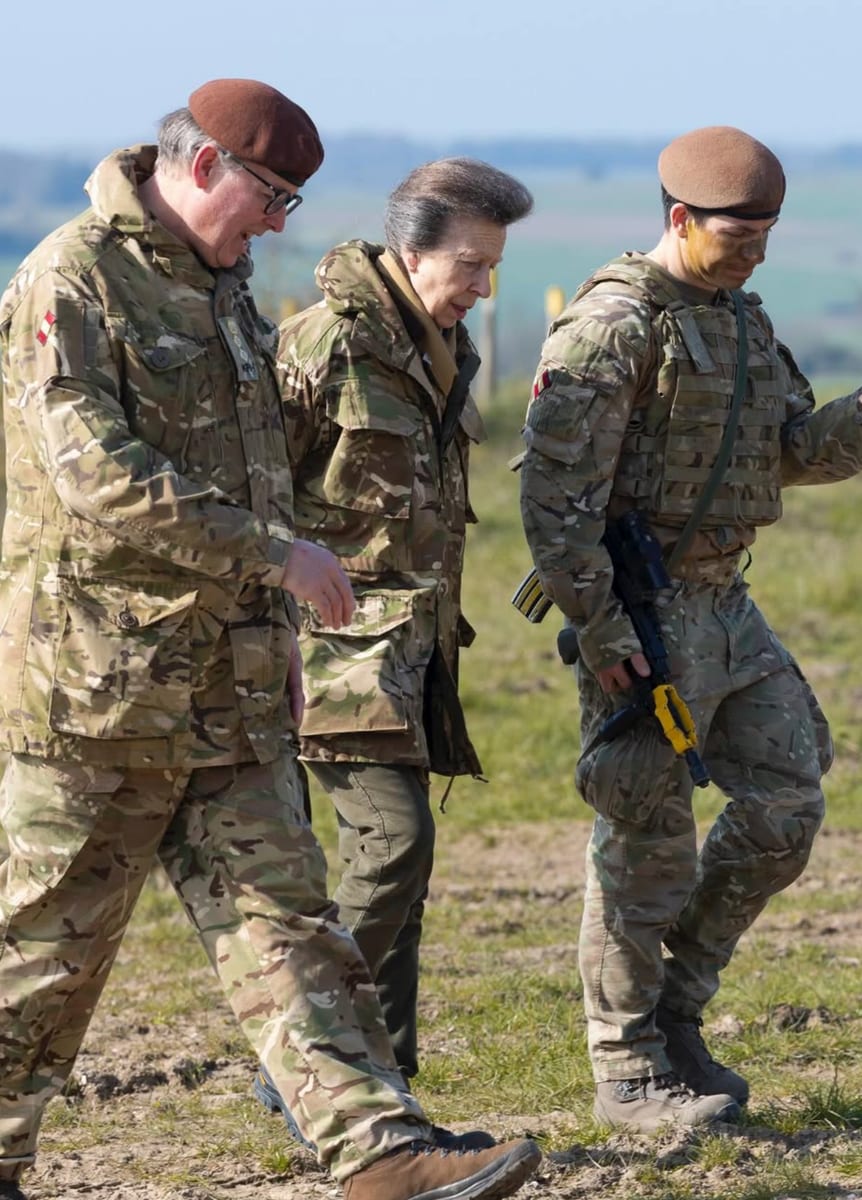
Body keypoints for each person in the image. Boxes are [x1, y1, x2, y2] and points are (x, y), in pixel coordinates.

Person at [0, 78, 541, 1200]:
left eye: (293, 201)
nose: (280, 223)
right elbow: (91, 472)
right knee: (43, 959)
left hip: (230, 684)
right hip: (95, 691)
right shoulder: (73, 276)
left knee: (291, 930)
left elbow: (257, 463)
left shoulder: (226, 287)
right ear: (203, 167)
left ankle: (378, 1153)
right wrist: (272, 556)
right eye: (271, 196)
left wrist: (277, 620)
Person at [518, 125, 861, 1133]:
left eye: (765, 235)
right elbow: (553, 502)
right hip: (641, 615)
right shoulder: (611, 326)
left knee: (785, 805)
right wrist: (602, 627)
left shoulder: (742, 322)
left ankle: (676, 1009)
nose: (753, 251)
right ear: (679, 219)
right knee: (645, 839)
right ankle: (627, 1071)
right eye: (736, 234)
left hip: (726, 605)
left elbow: (790, 448)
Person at [252, 158, 533, 1129]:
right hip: (329, 653)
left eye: (494, 268)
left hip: (413, 657)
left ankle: (384, 1096)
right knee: (393, 848)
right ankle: (315, 1066)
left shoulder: (437, 347)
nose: (482, 288)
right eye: (468, 265)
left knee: (402, 880)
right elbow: (252, 499)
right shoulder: (325, 344)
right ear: (409, 251)